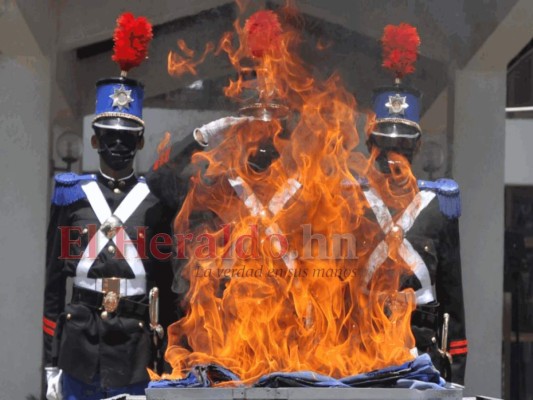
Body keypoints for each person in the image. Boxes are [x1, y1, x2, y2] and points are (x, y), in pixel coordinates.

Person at [42, 13, 178, 399]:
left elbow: (165, 286)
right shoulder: (71, 193)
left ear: (139, 143)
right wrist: (51, 361)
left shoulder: (155, 199)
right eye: (109, 137)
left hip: (136, 351)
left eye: (127, 139)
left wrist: (169, 356)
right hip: (79, 347)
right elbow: (54, 283)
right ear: (95, 141)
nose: (118, 145)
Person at [356, 23, 468, 384]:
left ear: (417, 148)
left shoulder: (438, 206)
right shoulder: (351, 203)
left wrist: (456, 364)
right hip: (358, 350)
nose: (393, 156)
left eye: (402, 147)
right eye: (384, 147)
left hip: (421, 355)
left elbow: (452, 293)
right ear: (370, 147)